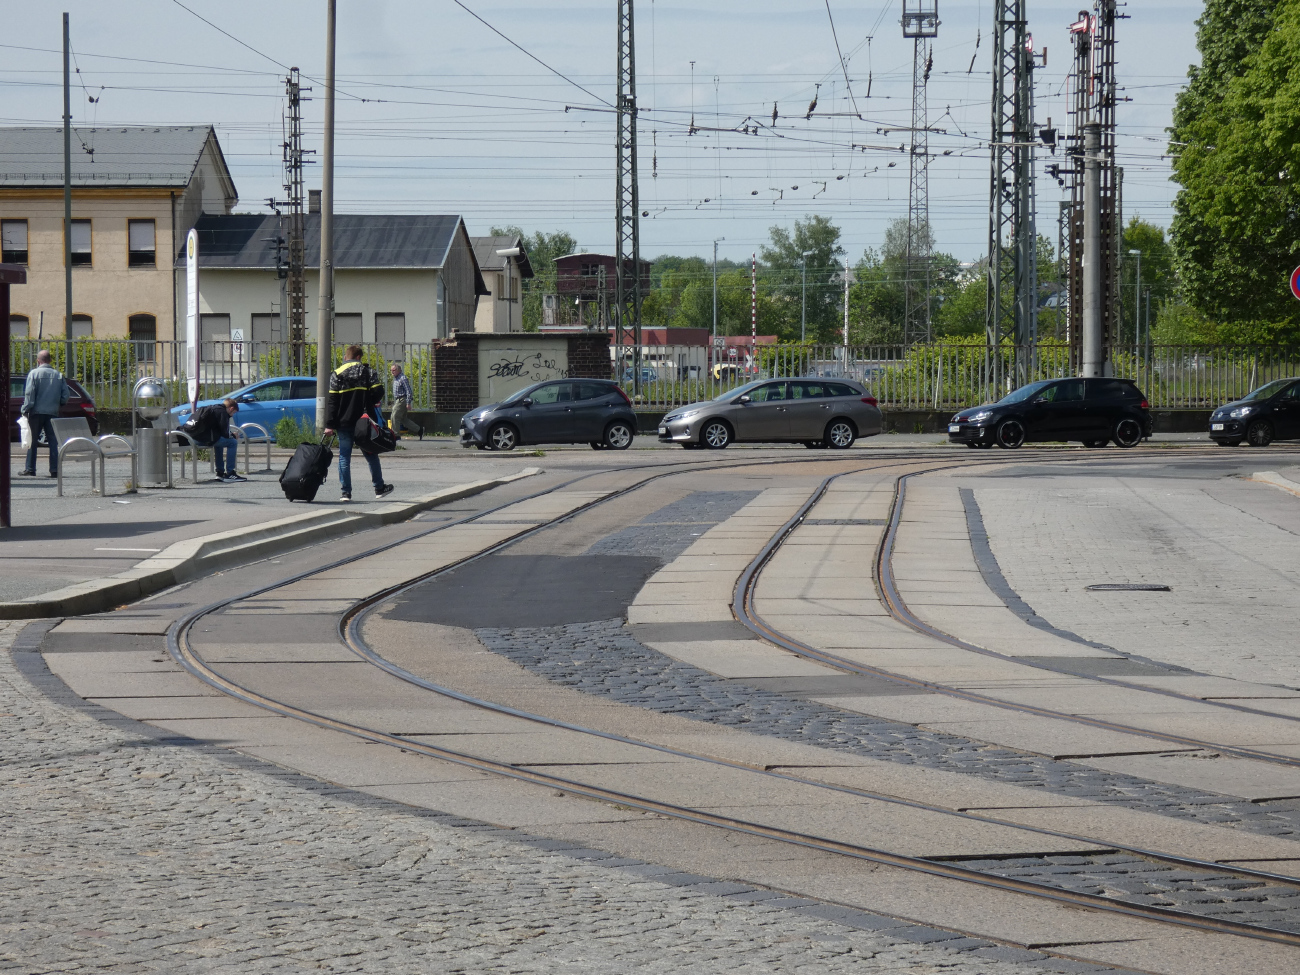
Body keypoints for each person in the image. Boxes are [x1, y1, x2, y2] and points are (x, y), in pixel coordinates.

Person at [324, 345, 393, 503]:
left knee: (344, 457)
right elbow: (379, 392)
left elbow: (332, 403)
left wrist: (330, 425)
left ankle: (345, 493)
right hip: (364, 422)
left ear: (345, 357)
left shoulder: (336, 374)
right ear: (359, 357)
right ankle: (379, 488)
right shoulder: (368, 372)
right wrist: (368, 400)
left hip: (343, 422)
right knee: (371, 454)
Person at [20, 350, 69, 478]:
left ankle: (30, 469)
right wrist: (59, 404)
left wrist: (25, 409)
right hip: (52, 412)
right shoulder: (58, 375)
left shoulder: (34, 374)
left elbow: (29, 395)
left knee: (32, 441)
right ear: (50, 360)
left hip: (36, 412)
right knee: (53, 442)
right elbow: (65, 395)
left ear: (38, 360)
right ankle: (54, 470)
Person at [182, 397, 246, 482]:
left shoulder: (212, 408)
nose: (232, 415)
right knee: (232, 443)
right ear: (231, 408)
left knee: (218, 441)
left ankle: (220, 473)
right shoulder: (222, 412)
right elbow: (225, 433)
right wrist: (234, 436)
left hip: (192, 438)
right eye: (233, 413)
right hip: (203, 440)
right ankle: (230, 473)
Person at [389, 363, 423, 440]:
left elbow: (408, 391)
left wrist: (408, 402)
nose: (392, 372)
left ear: (398, 370)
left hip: (402, 399)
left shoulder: (402, 378)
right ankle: (419, 430)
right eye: (391, 370)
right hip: (398, 399)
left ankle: (396, 435)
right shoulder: (396, 378)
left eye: (394, 370)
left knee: (394, 416)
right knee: (403, 419)